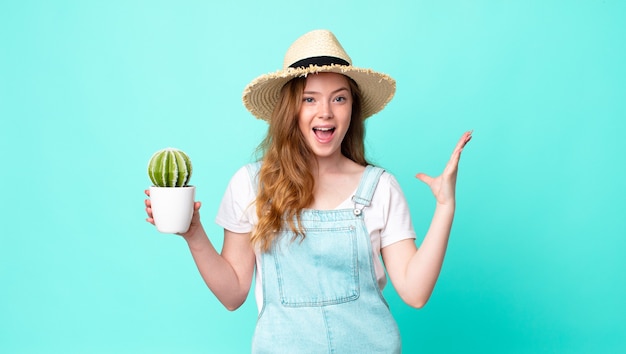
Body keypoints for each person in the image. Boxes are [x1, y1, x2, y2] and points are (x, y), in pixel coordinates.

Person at [144, 29, 472, 353]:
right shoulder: (250, 185)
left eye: (339, 98)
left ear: (352, 110)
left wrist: (445, 206)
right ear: (291, 110)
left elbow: (415, 293)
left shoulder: (380, 188)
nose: (325, 112)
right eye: (309, 99)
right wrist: (194, 233)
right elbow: (233, 296)